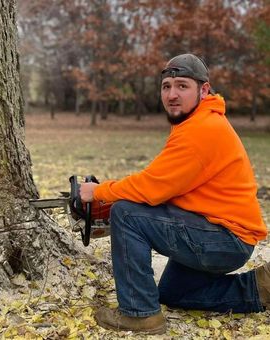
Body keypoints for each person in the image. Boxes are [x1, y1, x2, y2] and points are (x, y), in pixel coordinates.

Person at [80, 53, 269, 335]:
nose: (172, 94)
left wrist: (100, 193)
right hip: (219, 232)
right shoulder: (197, 123)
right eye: (166, 86)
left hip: (225, 238)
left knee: (126, 214)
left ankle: (139, 314)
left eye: (182, 86)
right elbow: (165, 183)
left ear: (203, 90)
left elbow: (151, 187)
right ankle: (261, 287)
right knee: (173, 293)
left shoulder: (203, 129)